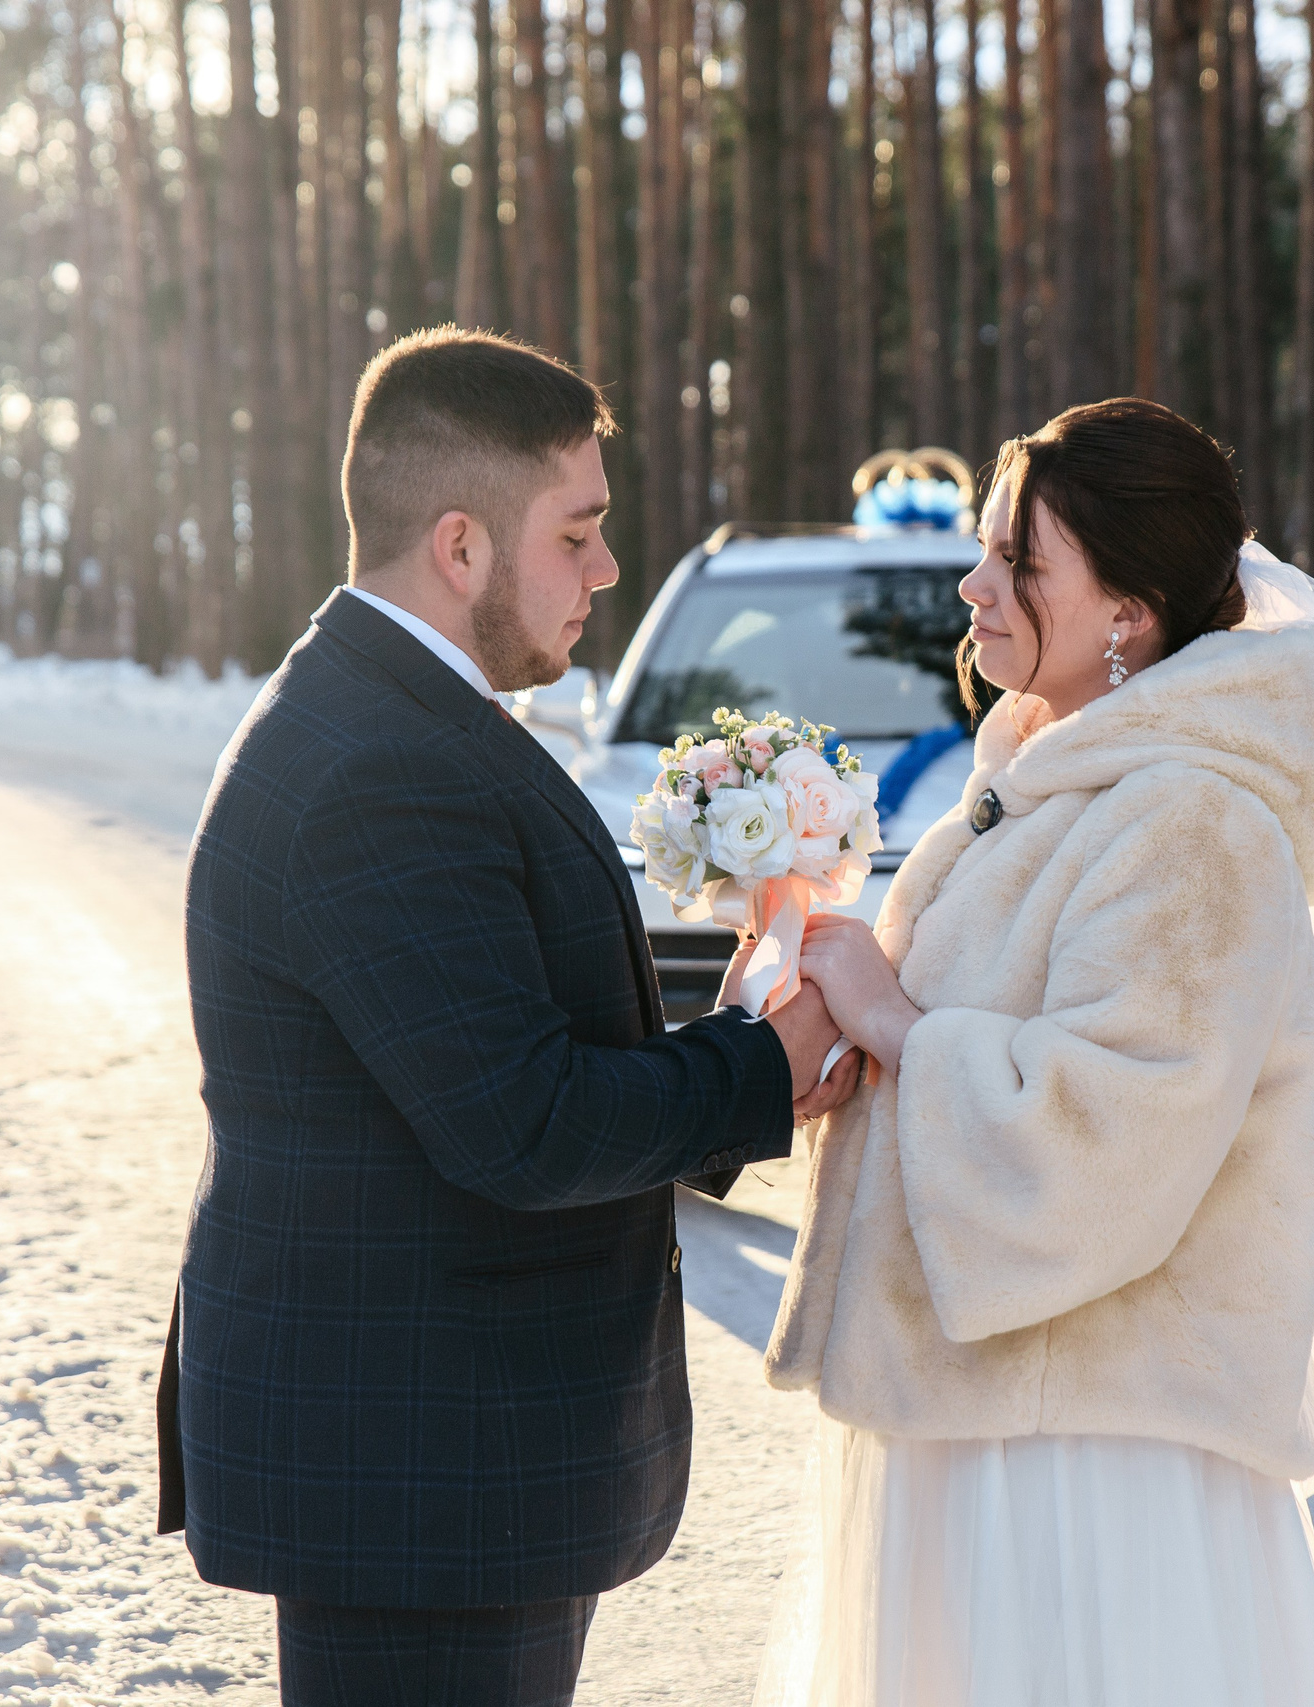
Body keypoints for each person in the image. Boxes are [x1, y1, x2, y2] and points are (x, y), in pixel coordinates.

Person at [156, 326, 855, 1707]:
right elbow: (519, 1123)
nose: (607, 569)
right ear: (461, 546)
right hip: (418, 1472)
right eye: (577, 534)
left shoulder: (398, 715)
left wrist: (725, 1035)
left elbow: (486, 1062)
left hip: (438, 1461)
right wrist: (754, 1072)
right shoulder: (378, 767)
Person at [757, 397, 1314, 1706]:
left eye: (1018, 562)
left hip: (1085, 1472)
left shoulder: (1193, 821)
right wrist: (838, 1038)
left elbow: (1104, 1146)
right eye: (983, 551)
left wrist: (893, 1021)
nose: (974, 586)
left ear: (1129, 613)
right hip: (993, 1424)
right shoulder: (1050, 788)